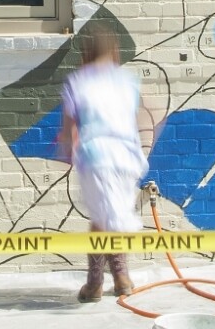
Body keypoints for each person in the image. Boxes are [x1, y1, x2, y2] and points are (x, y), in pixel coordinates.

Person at [58, 27, 151, 302]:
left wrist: (68, 148)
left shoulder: (77, 82)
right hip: (126, 157)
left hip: (97, 157)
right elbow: (135, 118)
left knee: (102, 219)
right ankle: (121, 278)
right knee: (115, 217)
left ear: (85, 55)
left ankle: (97, 282)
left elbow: (69, 128)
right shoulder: (127, 81)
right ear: (114, 53)